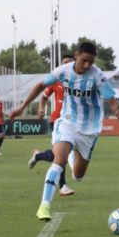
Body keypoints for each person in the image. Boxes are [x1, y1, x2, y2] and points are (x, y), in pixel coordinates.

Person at [9, 42, 119, 221]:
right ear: (77, 55)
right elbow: (41, 86)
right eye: (84, 60)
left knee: (78, 175)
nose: (87, 65)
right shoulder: (62, 71)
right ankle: (44, 206)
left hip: (89, 131)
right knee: (58, 160)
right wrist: (22, 106)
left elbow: (113, 104)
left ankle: (71, 156)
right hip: (68, 122)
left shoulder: (98, 77)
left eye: (90, 62)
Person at [28, 54, 76, 197]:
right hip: (57, 120)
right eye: (64, 63)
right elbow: (43, 96)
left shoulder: (79, 81)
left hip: (73, 122)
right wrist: (41, 108)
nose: (67, 65)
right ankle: (63, 186)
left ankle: (38, 156)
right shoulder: (56, 80)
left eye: (70, 63)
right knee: (62, 154)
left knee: (60, 154)